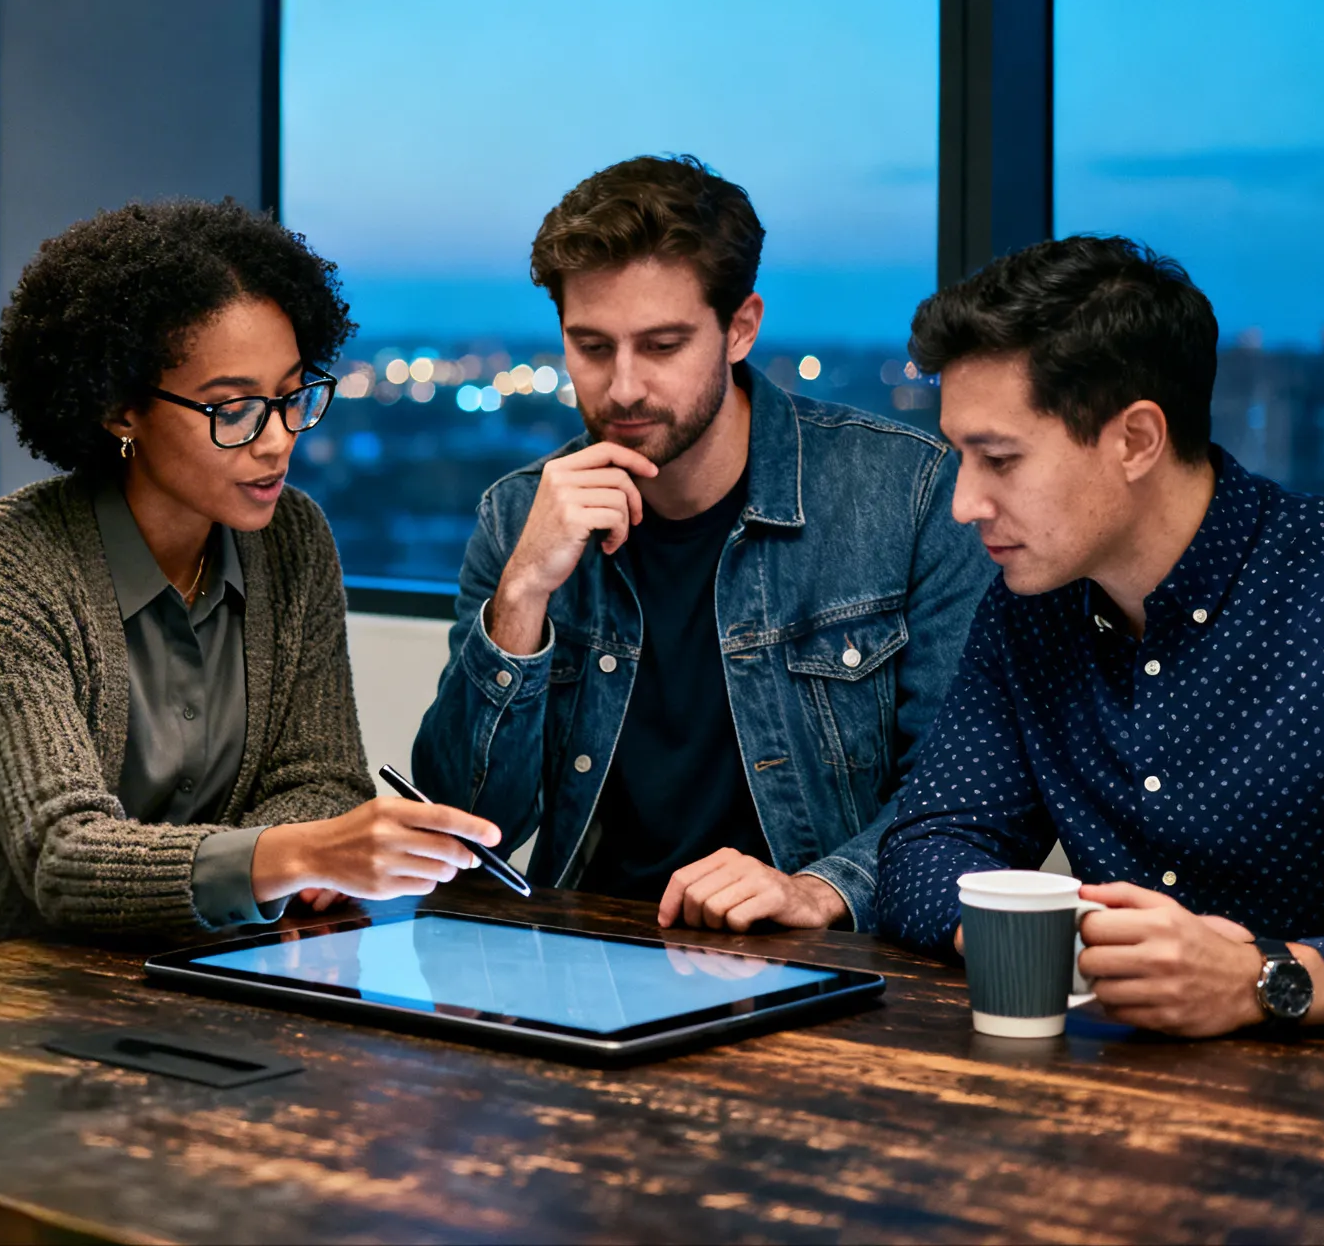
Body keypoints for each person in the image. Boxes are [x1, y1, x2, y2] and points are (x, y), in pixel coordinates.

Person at [0, 199, 503, 969]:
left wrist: (299, 849)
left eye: (292, 397)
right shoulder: (3, 567)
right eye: (232, 409)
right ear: (120, 408)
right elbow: (66, 859)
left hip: (186, 974)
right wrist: (300, 855)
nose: (276, 442)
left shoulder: (294, 541)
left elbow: (322, 778)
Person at [880, 236, 1324, 1036]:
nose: (965, 504)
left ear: (1137, 441)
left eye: (1000, 460)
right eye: (960, 457)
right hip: (1114, 1096)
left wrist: (1267, 976)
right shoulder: (1029, 610)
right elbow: (925, 851)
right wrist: (1088, 946)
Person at [411, 155, 988, 934]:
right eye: (591, 346)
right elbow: (468, 828)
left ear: (740, 328)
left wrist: (820, 890)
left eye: (661, 346)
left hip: (825, 964)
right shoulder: (520, 515)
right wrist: (520, 597)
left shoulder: (909, 494)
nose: (622, 388)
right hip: (586, 958)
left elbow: (958, 799)